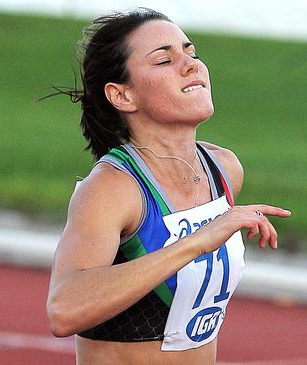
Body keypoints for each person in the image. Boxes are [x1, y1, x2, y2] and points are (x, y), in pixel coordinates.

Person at [46, 8, 291, 365]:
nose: (192, 65)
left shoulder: (223, 169)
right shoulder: (112, 189)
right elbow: (64, 309)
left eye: (190, 52)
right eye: (164, 60)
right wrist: (196, 242)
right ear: (122, 96)